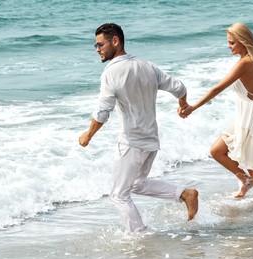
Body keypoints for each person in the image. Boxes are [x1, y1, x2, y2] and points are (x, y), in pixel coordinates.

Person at [79, 23, 198, 232]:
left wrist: (88, 135)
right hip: (151, 141)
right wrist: (183, 105)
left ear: (115, 41)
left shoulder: (111, 72)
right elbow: (179, 87)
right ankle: (184, 193)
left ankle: (140, 236)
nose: (97, 49)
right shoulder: (147, 66)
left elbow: (102, 112)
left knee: (118, 194)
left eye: (100, 44)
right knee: (136, 185)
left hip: (132, 143)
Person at [180, 22, 253, 200]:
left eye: (232, 42)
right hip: (248, 115)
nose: (229, 46)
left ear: (243, 41)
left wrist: (193, 107)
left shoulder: (245, 63)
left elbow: (217, 89)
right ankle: (246, 180)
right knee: (217, 151)